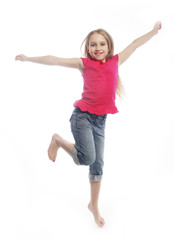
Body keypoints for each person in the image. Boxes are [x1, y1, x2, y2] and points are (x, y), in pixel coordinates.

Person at [15, 22, 162, 227]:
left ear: (109, 47)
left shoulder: (116, 61)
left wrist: (153, 32)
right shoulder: (84, 64)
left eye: (102, 44)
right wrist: (29, 58)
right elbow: (55, 60)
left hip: (101, 121)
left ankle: (93, 205)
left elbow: (136, 43)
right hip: (82, 117)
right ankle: (57, 139)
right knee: (86, 159)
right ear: (88, 48)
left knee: (97, 165)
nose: (98, 48)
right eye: (93, 45)